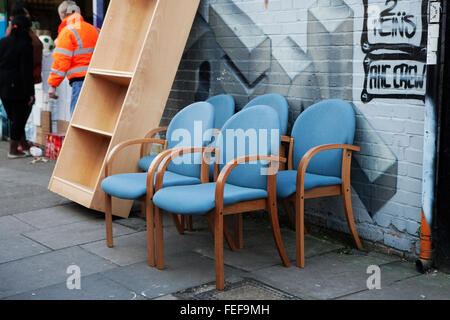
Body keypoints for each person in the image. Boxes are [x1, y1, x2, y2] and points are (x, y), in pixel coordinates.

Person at [48, 1, 99, 116]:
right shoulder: (95, 30)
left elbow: (61, 62)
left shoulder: (67, 32)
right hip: (97, 80)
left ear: (62, 15)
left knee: (77, 119)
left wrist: (53, 85)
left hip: (80, 81)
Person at [0, 15, 35, 158]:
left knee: (14, 118)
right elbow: (25, 71)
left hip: (3, 86)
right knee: (19, 118)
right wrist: (30, 92)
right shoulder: (25, 46)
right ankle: (13, 150)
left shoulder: (3, 42)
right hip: (18, 87)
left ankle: (24, 146)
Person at [6, 1, 43, 84]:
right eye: (24, 13)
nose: (28, 16)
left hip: (27, 77)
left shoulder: (26, 29)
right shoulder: (15, 31)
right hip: (21, 79)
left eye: (27, 13)